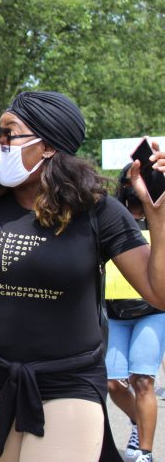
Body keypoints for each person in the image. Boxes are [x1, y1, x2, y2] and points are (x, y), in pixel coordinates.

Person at [0, 91, 165, 462]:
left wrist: (158, 217)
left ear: (49, 146)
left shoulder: (98, 211)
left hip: (69, 382)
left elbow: (159, 294)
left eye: (9, 134)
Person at [106, 163, 165, 462]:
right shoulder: (113, 215)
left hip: (153, 311)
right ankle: (136, 421)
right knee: (113, 382)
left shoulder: (162, 216)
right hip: (113, 311)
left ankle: (145, 451)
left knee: (143, 381)